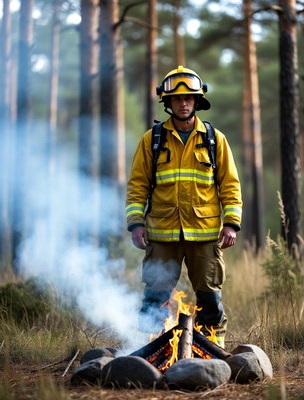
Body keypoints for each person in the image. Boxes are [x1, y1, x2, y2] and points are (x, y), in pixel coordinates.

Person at [125, 65, 242, 348]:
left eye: (189, 98)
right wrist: (136, 223)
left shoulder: (215, 140)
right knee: (155, 296)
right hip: (162, 234)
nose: (183, 103)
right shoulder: (152, 140)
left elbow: (230, 185)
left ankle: (213, 352)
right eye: (177, 99)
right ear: (168, 103)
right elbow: (138, 185)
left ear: (197, 101)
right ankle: (151, 352)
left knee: (209, 298)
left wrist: (231, 223)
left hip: (204, 234)